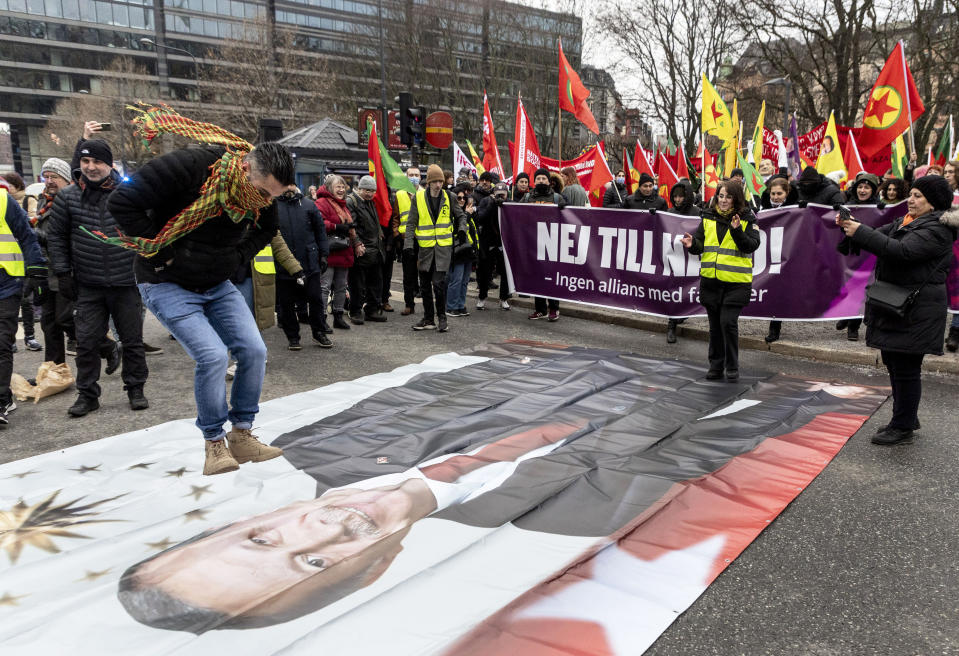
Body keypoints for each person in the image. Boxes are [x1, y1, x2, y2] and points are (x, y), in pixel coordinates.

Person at [108, 107, 293, 476]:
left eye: (270, 196)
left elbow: (267, 227)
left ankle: (242, 435)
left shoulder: (263, 196)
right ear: (244, 170)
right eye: (260, 192)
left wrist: (237, 258)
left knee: (254, 350)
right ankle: (214, 443)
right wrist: (165, 253)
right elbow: (121, 203)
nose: (262, 201)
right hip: (165, 280)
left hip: (216, 281)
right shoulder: (192, 166)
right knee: (211, 356)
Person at [836, 175, 958, 445]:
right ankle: (905, 417)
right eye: (911, 194)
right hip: (900, 304)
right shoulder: (909, 221)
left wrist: (861, 232)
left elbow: (901, 251)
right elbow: (879, 236)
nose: (910, 200)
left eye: (917, 196)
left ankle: (902, 427)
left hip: (917, 308)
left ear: (933, 203)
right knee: (894, 362)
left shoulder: (937, 229)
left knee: (906, 367)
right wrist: (852, 228)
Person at [46, 139, 149, 417]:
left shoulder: (128, 192)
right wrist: (63, 271)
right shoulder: (67, 197)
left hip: (126, 281)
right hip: (89, 284)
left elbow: (146, 228)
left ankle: (136, 388)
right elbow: (56, 236)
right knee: (87, 342)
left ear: (109, 164)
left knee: (132, 340)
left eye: (97, 162)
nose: (90, 167)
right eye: (85, 161)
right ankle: (88, 394)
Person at [681, 180, 761, 381]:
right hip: (711, 282)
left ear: (736, 198)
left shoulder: (747, 218)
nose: (724, 200)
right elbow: (700, 244)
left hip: (735, 283)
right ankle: (716, 365)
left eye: (728, 196)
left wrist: (736, 230)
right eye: (721, 196)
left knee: (727, 323)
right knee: (715, 326)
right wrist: (692, 245)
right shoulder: (707, 216)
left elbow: (751, 246)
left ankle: (732, 365)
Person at [0, 180, 45, 425]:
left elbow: (27, 237)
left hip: (5, 283)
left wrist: (37, 268)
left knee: (1, 343)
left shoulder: (3, 201)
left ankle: (1, 401)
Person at [403, 164, 467, 333]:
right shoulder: (418, 198)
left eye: (440, 181)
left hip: (443, 249)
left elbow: (461, 216)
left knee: (438, 283)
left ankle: (442, 318)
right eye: (435, 181)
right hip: (425, 249)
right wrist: (408, 244)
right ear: (429, 182)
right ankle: (428, 319)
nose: (439, 185)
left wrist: (462, 229)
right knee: (424, 285)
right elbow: (411, 223)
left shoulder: (450, 196)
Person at [34, 157, 79, 364]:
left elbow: (67, 238)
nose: (50, 181)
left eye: (55, 177)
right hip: (48, 269)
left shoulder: (72, 200)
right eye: (47, 176)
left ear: (66, 179)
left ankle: (107, 346)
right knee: (48, 323)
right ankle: (54, 370)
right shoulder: (43, 200)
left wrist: (36, 235)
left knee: (65, 318)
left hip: (66, 269)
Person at [274, 184, 330, 348]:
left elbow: (320, 231)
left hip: (309, 262)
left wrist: (324, 254)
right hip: (284, 265)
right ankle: (293, 337)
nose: (288, 187)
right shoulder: (273, 206)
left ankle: (319, 332)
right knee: (287, 303)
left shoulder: (308, 205)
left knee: (315, 299)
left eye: (290, 183)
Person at [522, 168, 566, 321]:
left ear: (549, 181)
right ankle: (540, 309)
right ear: (535, 181)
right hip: (533, 242)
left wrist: (565, 207)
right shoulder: (527, 197)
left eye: (544, 179)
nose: (541, 181)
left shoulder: (557, 198)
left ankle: (554, 308)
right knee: (537, 277)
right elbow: (515, 211)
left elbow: (570, 217)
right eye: (538, 178)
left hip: (551, 243)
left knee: (551, 278)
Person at [315, 174, 356, 331]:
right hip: (329, 251)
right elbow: (319, 223)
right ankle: (322, 318)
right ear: (329, 188)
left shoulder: (343, 204)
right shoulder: (321, 202)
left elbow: (350, 226)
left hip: (343, 250)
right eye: (337, 187)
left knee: (341, 286)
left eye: (342, 187)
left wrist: (356, 242)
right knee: (324, 286)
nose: (340, 190)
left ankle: (338, 316)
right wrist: (336, 227)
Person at [345, 176, 387, 325]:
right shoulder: (352, 202)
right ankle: (355, 311)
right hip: (362, 250)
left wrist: (379, 233)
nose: (370, 193)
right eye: (367, 190)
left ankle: (372, 310)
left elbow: (374, 222)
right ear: (360, 188)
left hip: (374, 249)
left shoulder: (369, 202)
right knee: (357, 283)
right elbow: (351, 226)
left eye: (372, 191)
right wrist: (357, 244)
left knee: (376, 282)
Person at [664, 180, 700, 344]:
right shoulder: (669, 212)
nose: (678, 200)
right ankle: (671, 326)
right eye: (675, 196)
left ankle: (682, 315)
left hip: (692, 258)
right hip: (674, 258)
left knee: (689, 290)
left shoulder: (697, 212)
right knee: (674, 291)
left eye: (681, 196)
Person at [475, 181, 512, 311]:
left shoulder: (511, 204)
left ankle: (504, 298)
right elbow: (479, 217)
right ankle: (482, 297)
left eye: (503, 195)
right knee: (485, 272)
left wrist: (505, 206)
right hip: (488, 242)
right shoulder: (486, 201)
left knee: (505, 272)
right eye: (498, 195)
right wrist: (492, 205)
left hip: (504, 243)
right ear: (493, 194)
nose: (501, 197)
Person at [446, 184, 478, 317]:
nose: (462, 200)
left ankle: (460, 305)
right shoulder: (451, 214)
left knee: (464, 281)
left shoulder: (466, 214)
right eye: (459, 198)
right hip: (456, 251)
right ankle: (451, 306)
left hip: (468, 251)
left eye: (464, 198)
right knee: (456, 280)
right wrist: (466, 215)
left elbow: (473, 234)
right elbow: (458, 229)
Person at [395, 167, 420, 316]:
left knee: (424, 274)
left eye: (416, 175)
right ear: (406, 177)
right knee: (408, 275)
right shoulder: (399, 194)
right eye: (411, 175)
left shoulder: (425, 193)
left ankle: (428, 305)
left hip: (423, 239)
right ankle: (409, 304)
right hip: (406, 239)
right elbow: (395, 217)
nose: (414, 177)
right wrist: (396, 233)